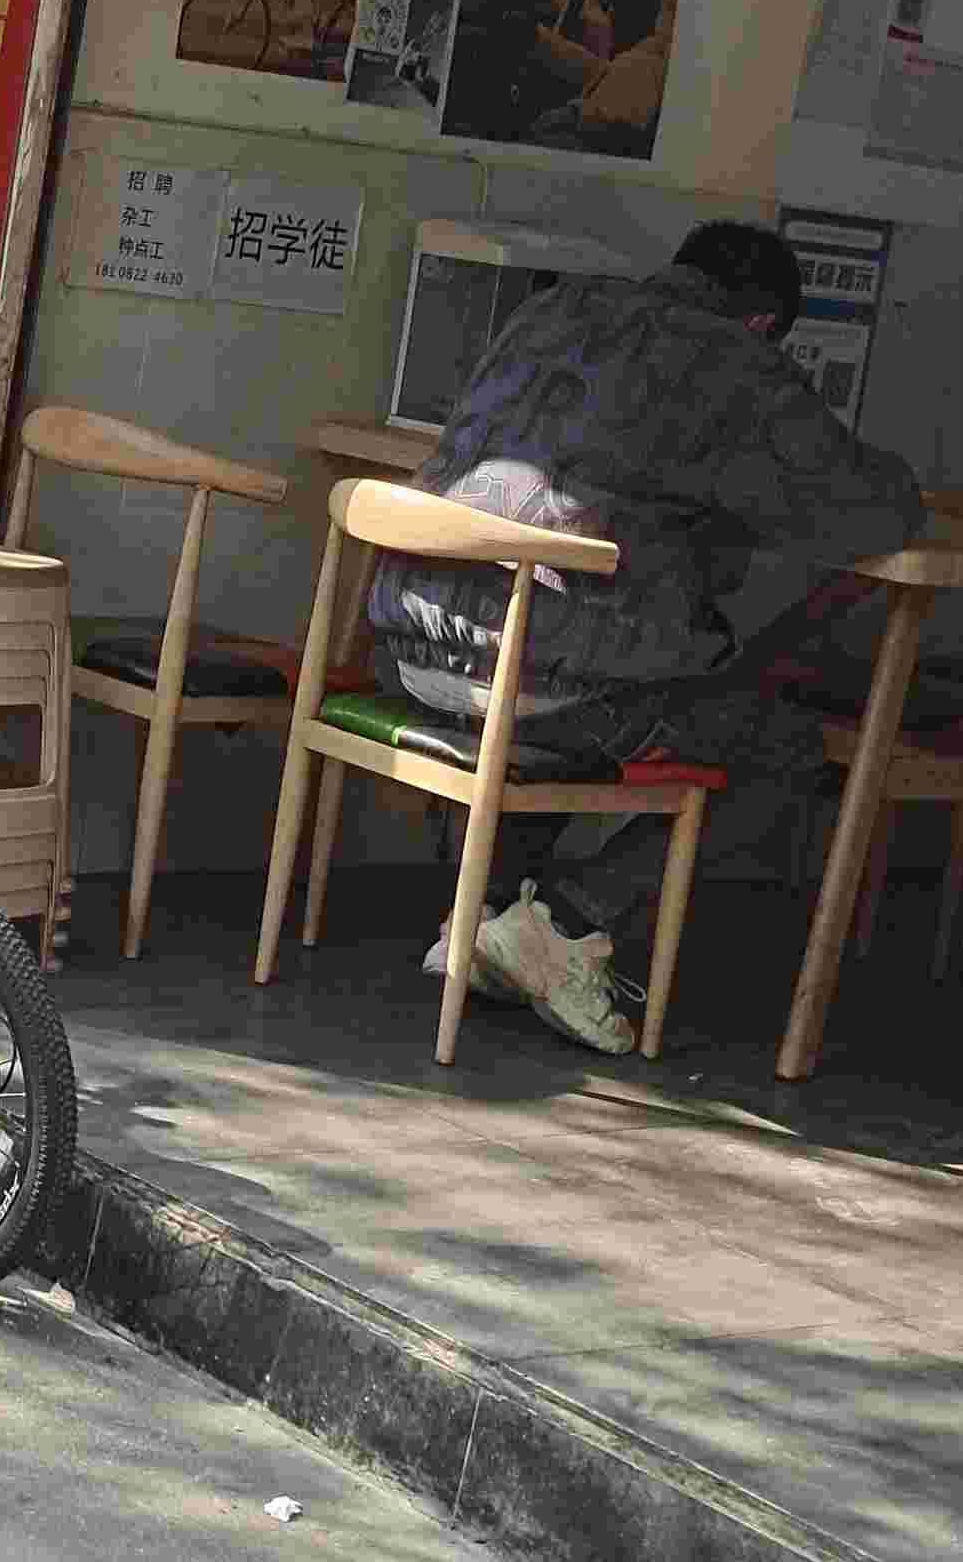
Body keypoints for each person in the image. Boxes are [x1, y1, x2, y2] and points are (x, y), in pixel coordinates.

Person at [367, 222, 925, 1055]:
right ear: (763, 323)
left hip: (409, 651)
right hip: (536, 676)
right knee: (782, 751)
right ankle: (564, 925)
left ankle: (481, 918)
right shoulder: (734, 359)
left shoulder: (549, 310)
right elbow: (868, 512)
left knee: (579, 683)